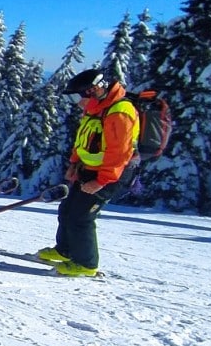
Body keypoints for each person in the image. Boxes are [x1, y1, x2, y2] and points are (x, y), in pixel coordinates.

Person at [37, 68, 139, 277]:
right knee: (67, 210)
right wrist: (75, 163)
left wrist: (102, 181)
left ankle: (86, 264)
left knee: (81, 217)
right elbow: (83, 139)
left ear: (93, 90)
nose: (76, 102)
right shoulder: (96, 108)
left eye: (77, 96)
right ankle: (65, 250)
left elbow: (119, 152)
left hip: (110, 175)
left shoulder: (120, 112)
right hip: (89, 170)